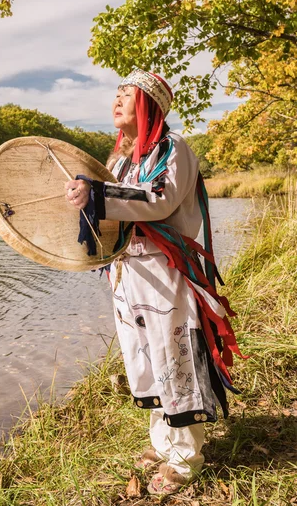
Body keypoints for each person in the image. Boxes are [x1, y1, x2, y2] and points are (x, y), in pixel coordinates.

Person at [65, 68, 243, 496]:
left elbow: (159, 199)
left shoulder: (172, 147)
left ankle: (185, 456)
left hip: (165, 271)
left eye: (128, 94)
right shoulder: (122, 159)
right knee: (142, 358)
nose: (118, 100)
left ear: (149, 105)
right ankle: (164, 442)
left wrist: (97, 194)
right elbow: (108, 214)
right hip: (128, 272)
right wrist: (82, 198)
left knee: (171, 357)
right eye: (117, 93)